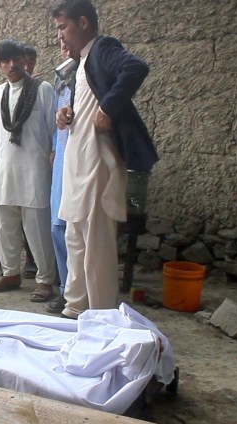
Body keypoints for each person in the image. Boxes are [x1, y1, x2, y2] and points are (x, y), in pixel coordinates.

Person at [52, 0, 157, 318]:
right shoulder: (82, 62)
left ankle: (100, 314)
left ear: (83, 22)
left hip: (97, 161)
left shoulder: (103, 48)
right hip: (77, 161)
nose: (60, 37)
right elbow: (87, 100)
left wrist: (109, 108)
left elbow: (136, 68)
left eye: (63, 27)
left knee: (96, 238)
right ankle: (75, 306)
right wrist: (66, 114)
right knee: (75, 234)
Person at [0, 40, 56, 303]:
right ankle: (10, 273)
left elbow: (54, 131)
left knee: (37, 226)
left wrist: (54, 156)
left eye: (16, 59)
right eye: (5, 61)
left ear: (25, 60)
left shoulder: (44, 89)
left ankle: (46, 279)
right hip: (6, 166)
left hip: (34, 168)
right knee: (6, 224)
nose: (12, 65)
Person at [45, 43, 79, 314]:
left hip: (82, 158)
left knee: (76, 228)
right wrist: (56, 148)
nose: (64, 47)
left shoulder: (90, 73)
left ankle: (80, 295)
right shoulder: (62, 75)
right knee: (57, 226)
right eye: (60, 41)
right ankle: (67, 290)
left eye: (67, 36)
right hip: (62, 156)